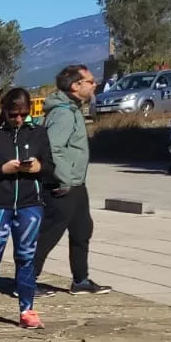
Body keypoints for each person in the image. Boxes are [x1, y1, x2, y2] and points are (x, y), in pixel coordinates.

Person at [0, 88, 56, 331]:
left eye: (23, 115)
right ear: (3, 111)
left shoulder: (38, 134)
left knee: (26, 258)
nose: (18, 119)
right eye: (13, 114)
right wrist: (2, 169)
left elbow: (51, 167)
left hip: (30, 205)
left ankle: (26, 309)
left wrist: (39, 167)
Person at [34, 64, 109, 295]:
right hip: (62, 184)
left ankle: (80, 279)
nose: (94, 84)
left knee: (82, 230)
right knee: (49, 234)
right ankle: (26, 280)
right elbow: (54, 149)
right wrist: (64, 178)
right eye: (90, 81)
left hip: (76, 183)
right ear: (76, 86)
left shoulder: (73, 108)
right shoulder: (64, 113)